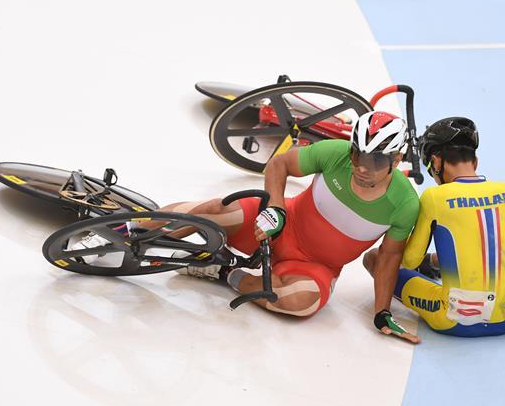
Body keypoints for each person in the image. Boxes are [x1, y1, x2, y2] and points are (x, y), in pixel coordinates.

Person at [87, 111, 421, 341]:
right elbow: (279, 164)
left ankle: (222, 272)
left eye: (375, 161)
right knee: (220, 209)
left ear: (396, 159)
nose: (362, 167)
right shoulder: (335, 154)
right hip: (278, 225)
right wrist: (276, 207)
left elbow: (389, 258)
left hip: (312, 266)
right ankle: (129, 229)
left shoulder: (404, 204)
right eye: (357, 155)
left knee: (301, 303)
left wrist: (381, 313)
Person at [363, 117, 505, 337]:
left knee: (374, 258)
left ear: (437, 162)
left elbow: (409, 261)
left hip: (452, 319)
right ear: (475, 161)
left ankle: (436, 268)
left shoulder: (435, 197)